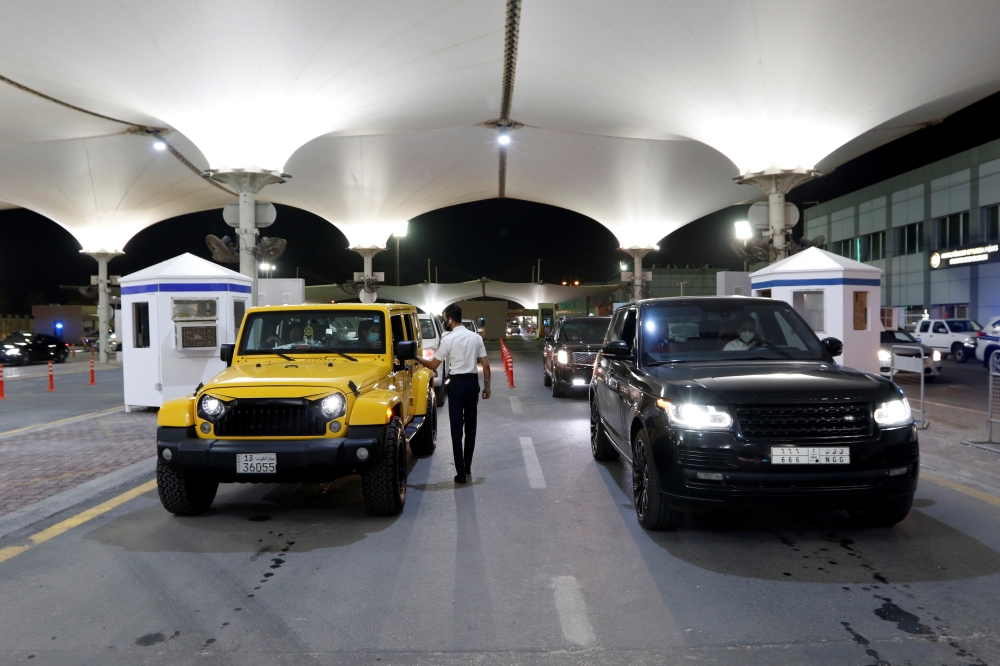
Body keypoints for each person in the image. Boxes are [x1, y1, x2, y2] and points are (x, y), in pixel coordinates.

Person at [415, 303, 490, 484]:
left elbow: (433, 365)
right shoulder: (475, 337)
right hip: (472, 384)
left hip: (456, 385)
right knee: (471, 427)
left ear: (449, 319)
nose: (444, 322)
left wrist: (415, 357)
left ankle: (461, 473)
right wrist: (487, 387)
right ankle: (468, 466)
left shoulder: (448, 339)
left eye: (444, 318)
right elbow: (485, 365)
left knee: (456, 429)